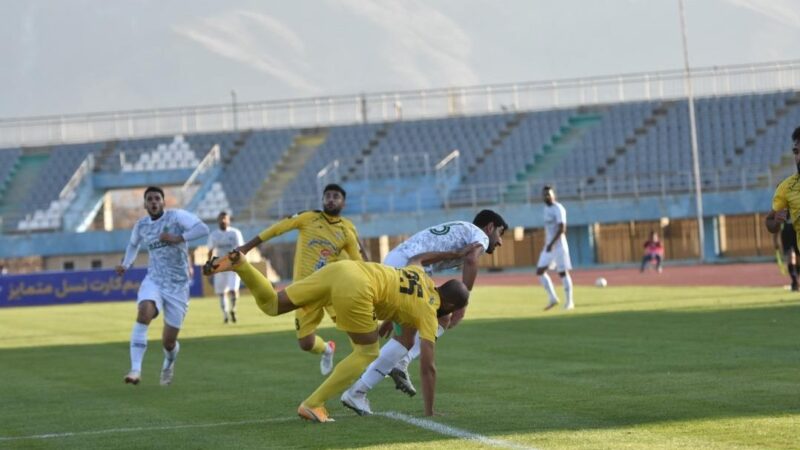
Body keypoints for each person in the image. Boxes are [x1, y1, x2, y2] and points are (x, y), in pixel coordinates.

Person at [204, 250, 470, 422]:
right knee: (367, 352)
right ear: (448, 307)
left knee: (273, 305)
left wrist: (452, 253)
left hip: (343, 269)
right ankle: (313, 404)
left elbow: (417, 258)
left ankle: (242, 266)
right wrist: (430, 410)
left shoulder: (420, 276)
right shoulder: (427, 311)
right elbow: (428, 366)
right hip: (358, 288)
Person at [341, 210, 507, 412]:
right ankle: (358, 391)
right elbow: (472, 260)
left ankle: (399, 363)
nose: (500, 242)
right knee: (405, 340)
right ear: (489, 227)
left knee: (443, 319)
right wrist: (463, 303)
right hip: (408, 266)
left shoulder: (463, 230)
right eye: (500, 233)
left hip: (401, 262)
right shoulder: (478, 236)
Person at [232, 183, 368, 375]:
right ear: (322, 200)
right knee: (305, 343)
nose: (331, 199)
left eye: (336, 196)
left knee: (353, 327)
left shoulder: (347, 229)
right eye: (327, 195)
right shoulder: (308, 218)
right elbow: (276, 229)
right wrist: (246, 247)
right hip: (305, 289)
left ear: (343, 203)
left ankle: (369, 364)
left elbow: (359, 260)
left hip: (332, 288)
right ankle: (327, 349)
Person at [116, 186, 210, 386]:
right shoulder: (141, 225)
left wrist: (178, 238)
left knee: (168, 342)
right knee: (144, 312)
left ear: (163, 202)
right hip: (155, 280)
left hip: (178, 286)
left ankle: (169, 362)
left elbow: (203, 228)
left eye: (157, 198)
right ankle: (135, 370)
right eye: (149, 199)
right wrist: (126, 264)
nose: (153, 202)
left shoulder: (176, 217)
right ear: (145, 204)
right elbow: (133, 244)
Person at [767, 126, 800, 284]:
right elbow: (770, 222)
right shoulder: (786, 189)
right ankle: (794, 280)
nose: (798, 157)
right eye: (796, 152)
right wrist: (775, 224)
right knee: (791, 253)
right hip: (789, 230)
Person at [537, 185, 574, 311]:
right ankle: (553, 298)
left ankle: (569, 302)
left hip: (558, 246)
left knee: (562, 273)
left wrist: (551, 244)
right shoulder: (545, 209)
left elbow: (562, 229)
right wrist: (548, 244)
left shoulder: (558, 208)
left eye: (548, 194)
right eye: (544, 194)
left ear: (553, 195)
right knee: (540, 271)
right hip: (549, 246)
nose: (546, 196)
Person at [207, 212, 245, 323]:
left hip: (233, 267)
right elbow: (210, 250)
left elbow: (241, 249)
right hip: (220, 267)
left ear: (229, 220)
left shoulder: (235, 233)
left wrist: (241, 263)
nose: (223, 221)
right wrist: (210, 265)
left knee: (233, 290)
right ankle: (225, 315)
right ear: (218, 220)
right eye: (221, 219)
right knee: (221, 292)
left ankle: (233, 309)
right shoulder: (214, 235)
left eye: (225, 218)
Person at [772, 218, 799, 291]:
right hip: (788, 234)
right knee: (791, 256)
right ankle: (795, 282)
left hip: (797, 232)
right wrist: (775, 240)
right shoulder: (783, 209)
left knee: (797, 259)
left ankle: (796, 281)